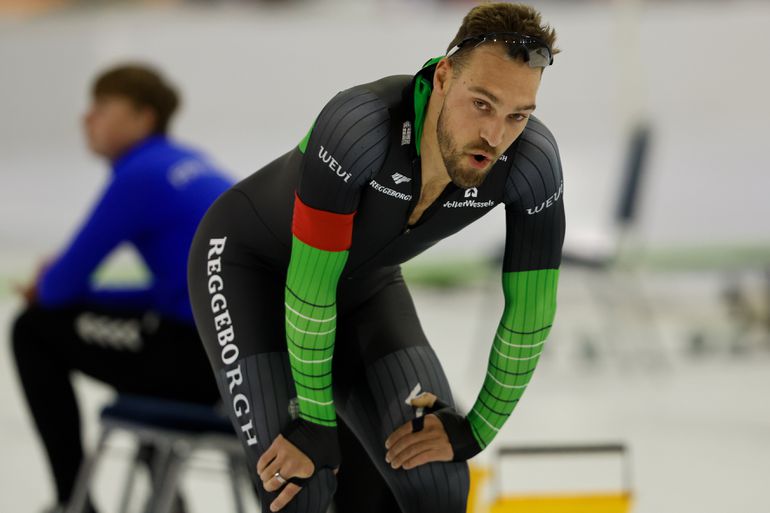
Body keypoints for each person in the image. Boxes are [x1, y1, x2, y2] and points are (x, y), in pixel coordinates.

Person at [187, 3, 565, 512]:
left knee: (439, 481)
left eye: (517, 115)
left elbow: (530, 314)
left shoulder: (531, 165)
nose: (495, 137)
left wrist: (477, 429)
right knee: (301, 487)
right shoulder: (360, 126)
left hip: (362, 283)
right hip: (250, 271)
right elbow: (310, 290)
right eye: (482, 104)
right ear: (445, 76)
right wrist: (316, 422)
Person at [11, 64, 233, 513]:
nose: (86, 118)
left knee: (32, 328)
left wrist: (46, 284)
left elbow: (58, 288)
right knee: (142, 341)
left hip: (195, 361)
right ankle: (167, 502)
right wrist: (89, 296)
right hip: (235, 359)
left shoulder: (140, 175)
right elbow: (171, 292)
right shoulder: (189, 161)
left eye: (102, 106)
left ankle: (73, 501)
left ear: (142, 117)